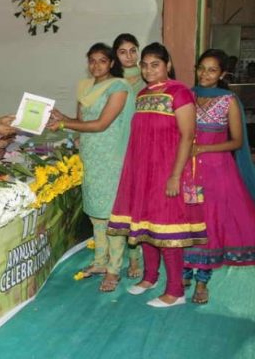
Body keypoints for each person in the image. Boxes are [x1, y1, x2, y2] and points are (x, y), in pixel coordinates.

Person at [182, 49, 255, 304]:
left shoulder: (228, 100)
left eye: (212, 70)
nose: (205, 74)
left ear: (222, 74)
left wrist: (203, 148)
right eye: (201, 68)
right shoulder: (187, 96)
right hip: (188, 170)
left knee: (210, 222)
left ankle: (202, 282)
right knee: (186, 219)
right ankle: (183, 271)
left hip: (217, 171)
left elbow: (237, 141)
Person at [107, 42, 206, 308]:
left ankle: (175, 292)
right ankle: (150, 277)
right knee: (146, 226)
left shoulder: (179, 92)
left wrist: (175, 176)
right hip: (143, 172)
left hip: (168, 171)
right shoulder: (141, 95)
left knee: (168, 230)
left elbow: (187, 136)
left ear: (168, 65)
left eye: (155, 65)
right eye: (145, 65)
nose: (149, 70)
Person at [48, 43, 135, 292]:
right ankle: (99, 263)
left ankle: (114, 270)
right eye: (92, 60)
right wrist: (61, 117)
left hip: (111, 158)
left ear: (111, 63)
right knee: (96, 214)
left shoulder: (119, 87)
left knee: (112, 216)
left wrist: (64, 125)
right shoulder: (85, 88)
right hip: (91, 156)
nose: (96, 65)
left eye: (102, 60)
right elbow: (81, 121)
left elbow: (101, 124)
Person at [112, 33, 145, 278]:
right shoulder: (111, 81)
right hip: (115, 147)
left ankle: (135, 258)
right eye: (123, 52)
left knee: (136, 204)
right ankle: (113, 255)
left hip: (142, 146)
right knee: (118, 202)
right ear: (116, 55)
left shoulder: (148, 78)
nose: (129, 56)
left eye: (133, 50)